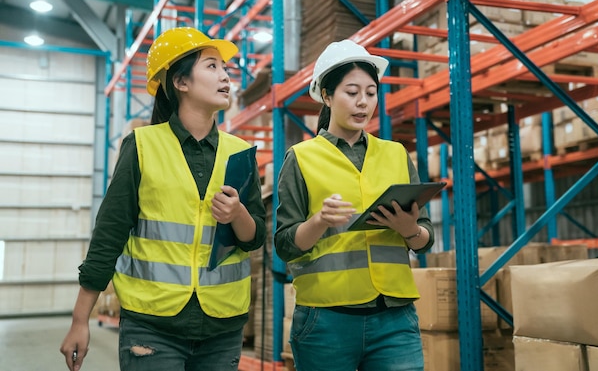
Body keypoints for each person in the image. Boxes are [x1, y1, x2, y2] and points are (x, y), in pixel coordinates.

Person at [60, 26, 266, 371]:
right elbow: (109, 235)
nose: (226, 76)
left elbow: (255, 236)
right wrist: (80, 319)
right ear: (180, 82)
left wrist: (238, 214)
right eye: (212, 66)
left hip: (223, 324)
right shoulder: (142, 146)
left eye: (226, 69)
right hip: (153, 325)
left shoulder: (240, 152)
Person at [274, 39, 434, 371]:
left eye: (371, 92)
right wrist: (318, 221)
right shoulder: (301, 159)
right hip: (327, 320)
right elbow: (285, 245)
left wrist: (410, 231)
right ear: (328, 96)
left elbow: (425, 237)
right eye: (351, 92)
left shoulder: (395, 154)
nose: (363, 102)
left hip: (394, 317)